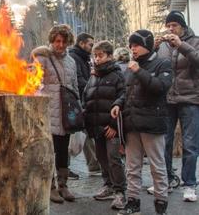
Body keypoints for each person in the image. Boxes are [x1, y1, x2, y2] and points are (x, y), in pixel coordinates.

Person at [111, 29, 172, 215]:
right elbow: (126, 92)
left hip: (152, 124)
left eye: (136, 45)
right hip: (131, 124)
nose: (132, 49)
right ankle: (133, 202)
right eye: (130, 46)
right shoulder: (132, 66)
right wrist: (117, 104)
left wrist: (140, 71)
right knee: (132, 167)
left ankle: (161, 204)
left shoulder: (163, 64)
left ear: (146, 44)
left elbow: (160, 88)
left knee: (157, 166)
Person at [153, 10, 199, 202]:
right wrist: (153, 49)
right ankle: (168, 180)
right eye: (168, 25)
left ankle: (189, 184)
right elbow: (155, 68)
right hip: (168, 99)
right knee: (165, 142)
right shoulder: (163, 45)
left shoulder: (195, 41)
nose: (171, 29)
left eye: (174, 25)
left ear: (183, 26)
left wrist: (182, 46)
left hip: (191, 99)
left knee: (190, 144)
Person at [31, 24, 78, 203]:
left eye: (64, 41)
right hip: (47, 112)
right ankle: (49, 187)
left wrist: (77, 107)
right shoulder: (43, 58)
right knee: (48, 151)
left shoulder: (71, 61)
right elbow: (33, 84)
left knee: (62, 151)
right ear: (52, 41)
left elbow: (75, 86)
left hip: (66, 113)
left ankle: (63, 185)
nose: (60, 45)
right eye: (57, 41)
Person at [83, 41, 126, 210]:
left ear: (109, 55)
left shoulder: (117, 75)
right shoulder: (93, 76)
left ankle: (120, 192)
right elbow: (87, 97)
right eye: (95, 55)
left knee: (114, 158)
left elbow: (123, 99)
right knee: (101, 158)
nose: (97, 58)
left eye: (100, 55)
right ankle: (108, 185)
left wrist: (114, 125)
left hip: (111, 127)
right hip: (96, 127)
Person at [69, 32, 100, 178]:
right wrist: (93, 85)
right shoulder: (74, 58)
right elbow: (78, 80)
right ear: (81, 43)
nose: (91, 48)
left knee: (86, 133)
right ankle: (65, 167)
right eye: (90, 45)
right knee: (70, 132)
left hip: (84, 99)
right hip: (77, 100)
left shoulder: (85, 58)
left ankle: (93, 165)